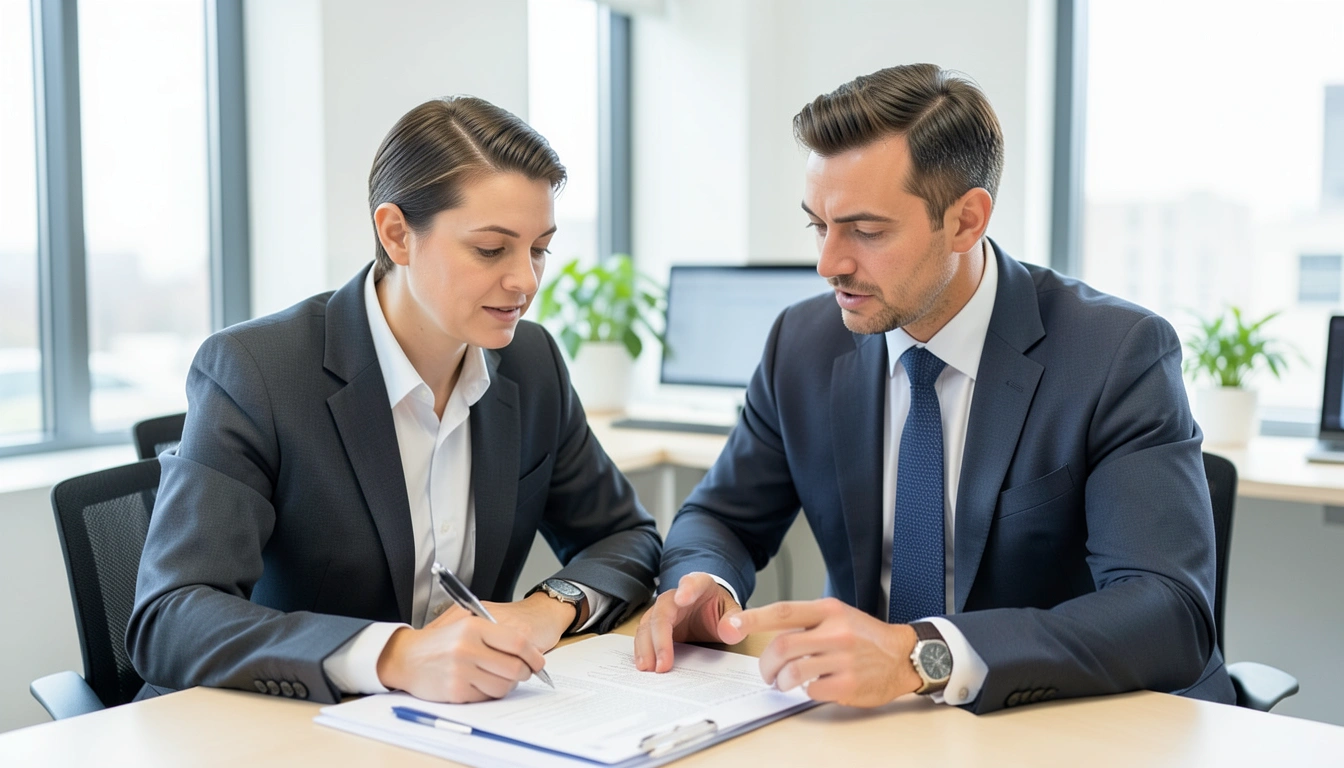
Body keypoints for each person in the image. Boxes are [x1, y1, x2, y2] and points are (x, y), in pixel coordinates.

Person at [633, 63, 1235, 713]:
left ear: (966, 221)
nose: (829, 263)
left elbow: (1167, 611)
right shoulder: (802, 344)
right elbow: (722, 516)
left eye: (867, 232)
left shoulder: (1115, 353)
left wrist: (921, 654)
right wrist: (704, 583)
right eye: (819, 226)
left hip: (1060, 718)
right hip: (874, 723)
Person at [128, 96, 661, 706]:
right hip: (289, 723)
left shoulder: (531, 363)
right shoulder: (257, 371)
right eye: (492, 249)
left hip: (461, 725)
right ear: (397, 234)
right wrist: (396, 656)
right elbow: (171, 616)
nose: (526, 281)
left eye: (539, 248)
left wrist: (547, 608)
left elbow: (627, 536)